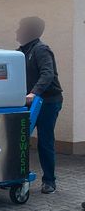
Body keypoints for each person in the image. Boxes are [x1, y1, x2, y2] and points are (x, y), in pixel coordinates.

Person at [16, 17, 62, 194]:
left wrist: (33, 93)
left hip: (48, 102)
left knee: (45, 140)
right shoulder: (21, 51)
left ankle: (49, 181)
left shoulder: (41, 50)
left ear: (29, 32)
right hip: (29, 101)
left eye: (20, 28)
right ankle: (18, 175)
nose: (16, 31)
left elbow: (47, 74)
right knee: (19, 138)